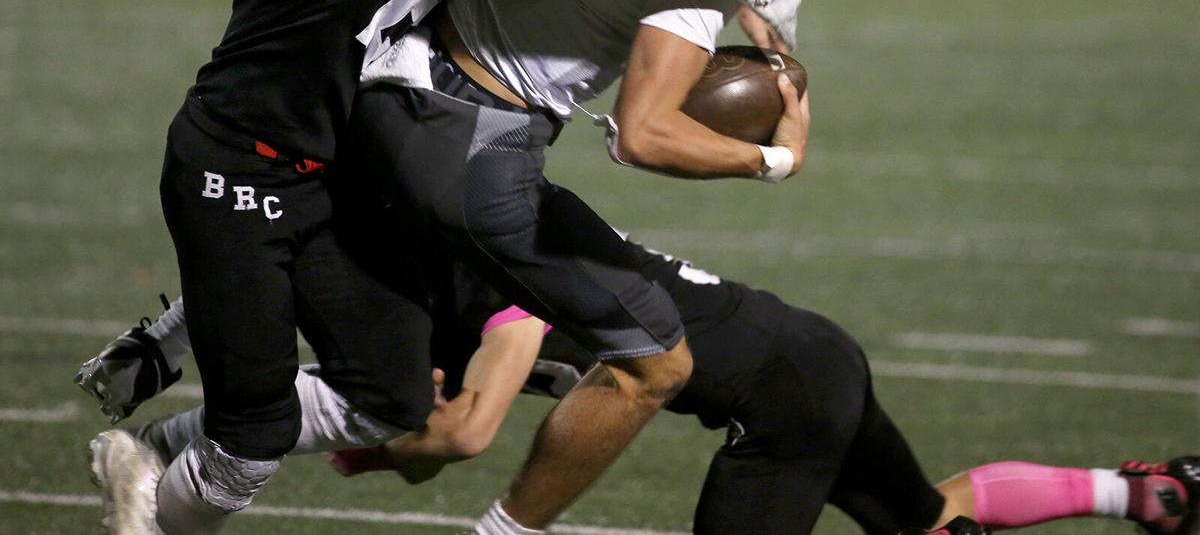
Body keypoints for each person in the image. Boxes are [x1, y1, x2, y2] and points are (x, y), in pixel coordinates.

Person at [80, 0, 808, 535]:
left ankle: (165, 379)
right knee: (253, 438)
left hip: (336, 145)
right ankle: (155, 466)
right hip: (248, 150)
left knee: (390, 393)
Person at [323, 189, 1199, 535]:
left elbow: (465, 434)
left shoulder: (488, 278)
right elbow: (436, 442)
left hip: (783, 401)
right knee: (930, 516)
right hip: (812, 353)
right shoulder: (483, 243)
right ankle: (1149, 494)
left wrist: (365, 442)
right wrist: (388, 448)